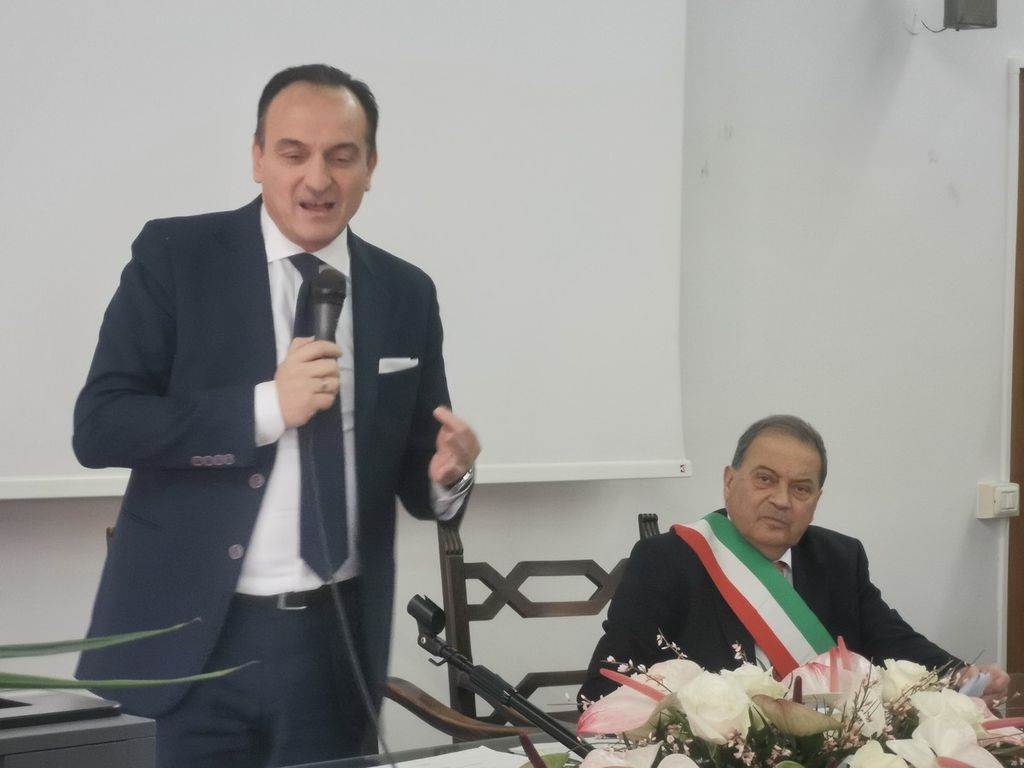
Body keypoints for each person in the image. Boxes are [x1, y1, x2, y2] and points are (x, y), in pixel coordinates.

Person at [73, 64, 480, 767]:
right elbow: (102, 425)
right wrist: (265, 407)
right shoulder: (177, 257)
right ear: (258, 157)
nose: (317, 178)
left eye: (341, 156)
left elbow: (420, 472)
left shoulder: (406, 291)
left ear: (371, 166)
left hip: (335, 641)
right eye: (294, 153)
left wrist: (447, 476)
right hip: (199, 638)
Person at [579, 415, 1007, 705]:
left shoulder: (840, 558)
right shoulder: (667, 561)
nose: (781, 500)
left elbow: (893, 640)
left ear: (816, 500)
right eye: (765, 479)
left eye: (801, 488)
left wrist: (961, 674)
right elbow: (606, 687)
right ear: (729, 482)